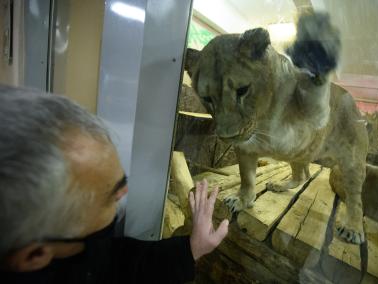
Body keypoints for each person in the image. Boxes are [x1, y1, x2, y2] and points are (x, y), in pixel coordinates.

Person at [0, 85, 229, 283]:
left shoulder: (69, 250)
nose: (123, 192)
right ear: (35, 256)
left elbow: (115, 263)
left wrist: (192, 248)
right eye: (109, 195)